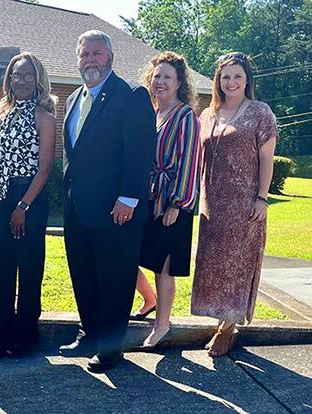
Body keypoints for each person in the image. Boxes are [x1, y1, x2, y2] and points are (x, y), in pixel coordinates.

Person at [59, 30, 156, 372]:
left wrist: (129, 197)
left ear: (111, 57)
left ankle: (111, 350)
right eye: (84, 54)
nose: (90, 59)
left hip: (118, 210)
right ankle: (89, 335)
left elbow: (139, 151)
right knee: (83, 274)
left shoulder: (130, 96)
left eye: (97, 53)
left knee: (114, 279)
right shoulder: (72, 99)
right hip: (78, 209)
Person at [191, 52, 277, 358]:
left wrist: (262, 198)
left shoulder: (260, 112)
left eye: (238, 76)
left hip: (244, 205)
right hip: (212, 206)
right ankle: (222, 321)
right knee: (214, 266)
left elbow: (266, 159)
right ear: (218, 81)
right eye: (225, 76)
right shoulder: (207, 114)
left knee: (236, 267)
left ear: (247, 79)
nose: (231, 82)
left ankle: (226, 329)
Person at [0, 52, 57, 359]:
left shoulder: (44, 117)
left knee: (28, 271)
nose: (20, 81)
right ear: (8, 79)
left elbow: (46, 167)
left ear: (38, 79)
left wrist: (22, 207)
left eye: (26, 75)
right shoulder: (4, 113)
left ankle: (24, 338)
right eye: (15, 75)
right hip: (1, 199)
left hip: (30, 199)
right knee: (0, 271)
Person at [129, 52, 200, 350]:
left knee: (164, 268)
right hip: (148, 198)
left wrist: (177, 204)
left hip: (172, 201)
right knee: (129, 256)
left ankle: (162, 325)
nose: (160, 82)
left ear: (179, 82)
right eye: (157, 76)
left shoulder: (186, 116)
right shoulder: (152, 113)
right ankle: (149, 300)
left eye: (167, 77)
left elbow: (189, 161)